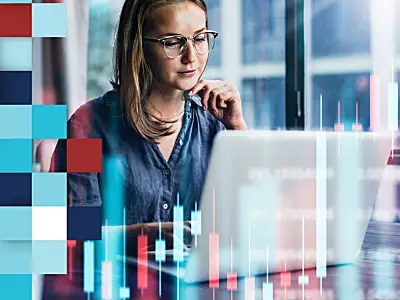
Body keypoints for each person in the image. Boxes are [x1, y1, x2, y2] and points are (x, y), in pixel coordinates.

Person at [51, 0, 247, 255]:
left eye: (200, 39)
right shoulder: (86, 127)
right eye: (173, 43)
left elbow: (254, 225)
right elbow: (69, 239)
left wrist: (238, 129)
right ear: (138, 47)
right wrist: (142, 236)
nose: (191, 57)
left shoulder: (216, 126)